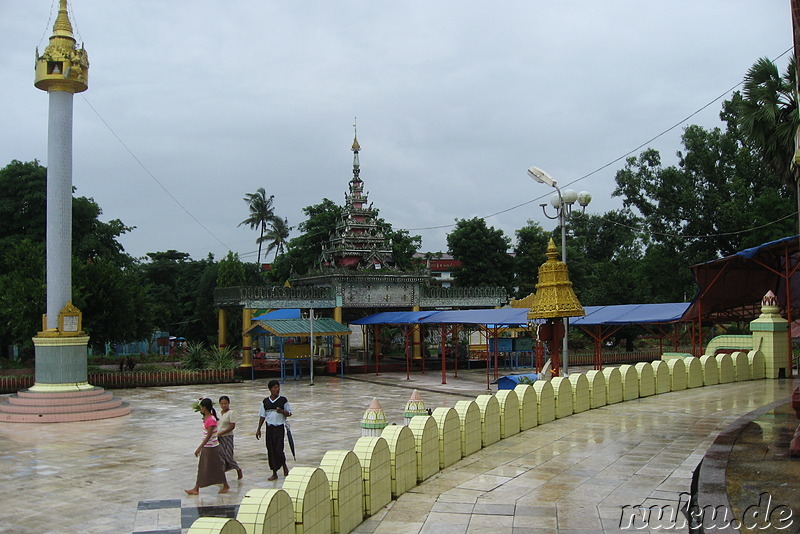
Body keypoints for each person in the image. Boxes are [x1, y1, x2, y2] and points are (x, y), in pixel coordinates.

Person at [185, 398, 230, 495]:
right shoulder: (206, 417)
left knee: (216, 467)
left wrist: (200, 447)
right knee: (203, 467)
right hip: (208, 447)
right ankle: (196, 488)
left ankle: (225, 485)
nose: (200, 409)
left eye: (201, 407)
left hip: (212, 447)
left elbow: (209, 436)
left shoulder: (211, 420)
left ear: (205, 408)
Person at [256, 380, 292, 481]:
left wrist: (282, 412)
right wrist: (258, 429)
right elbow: (262, 416)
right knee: (271, 449)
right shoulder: (265, 402)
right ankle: (274, 472)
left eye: (278, 387)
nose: (277, 389)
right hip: (269, 428)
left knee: (279, 449)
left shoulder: (283, 400)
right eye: (275, 387)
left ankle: (284, 465)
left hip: (279, 428)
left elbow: (289, 413)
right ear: (270, 389)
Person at [217, 395, 243, 479]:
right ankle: (222, 475)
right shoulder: (219, 413)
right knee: (221, 456)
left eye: (225, 403)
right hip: (219, 437)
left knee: (228, 455)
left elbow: (232, 426)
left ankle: (238, 469)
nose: (224, 405)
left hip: (227, 436)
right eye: (222, 404)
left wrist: (221, 433)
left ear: (228, 403)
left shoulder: (231, 413)